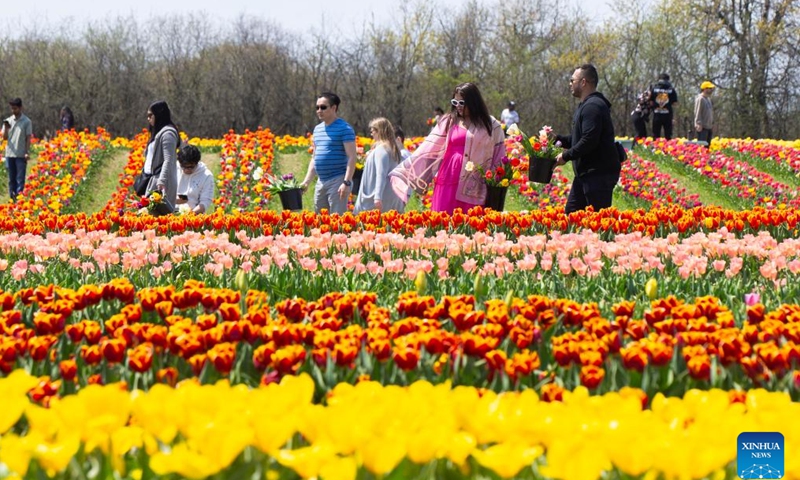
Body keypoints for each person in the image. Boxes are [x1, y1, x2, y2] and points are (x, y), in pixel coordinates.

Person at [389, 82, 506, 214]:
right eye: (455, 102)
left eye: (462, 103)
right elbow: (429, 147)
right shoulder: (448, 121)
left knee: (471, 220)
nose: (458, 106)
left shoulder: (490, 124)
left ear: (473, 102)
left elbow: (499, 153)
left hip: (474, 183)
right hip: (448, 177)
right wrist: (416, 174)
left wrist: (497, 177)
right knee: (444, 217)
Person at [554, 64, 621, 215]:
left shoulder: (593, 106)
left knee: (597, 221)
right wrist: (558, 140)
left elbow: (590, 140)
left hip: (598, 174)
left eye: (572, 80)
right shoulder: (587, 105)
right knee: (572, 216)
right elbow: (580, 138)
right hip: (586, 174)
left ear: (583, 82)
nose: (570, 84)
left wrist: (566, 156)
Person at [300, 92, 357, 214]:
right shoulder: (317, 129)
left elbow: (352, 157)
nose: (319, 110)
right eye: (317, 107)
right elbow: (315, 158)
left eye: (323, 107)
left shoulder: (344, 128)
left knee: (337, 222)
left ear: (334, 108)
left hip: (338, 180)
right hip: (321, 181)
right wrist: (306, 182)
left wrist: (346, 182)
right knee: (320, 221)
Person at [353, 118, 405, 214]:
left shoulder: (382, 149)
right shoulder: (391, 148)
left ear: (379, 131)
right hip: (391, 194)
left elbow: (381, 174)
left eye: (372, 131)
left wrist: (377, 197)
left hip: (378, 197)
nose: (371, 134)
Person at [142, 100, 180, 210]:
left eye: (150, 115)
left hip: (162, 182)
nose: (148, 118)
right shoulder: (159, 132)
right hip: (154, 178)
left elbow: (168, 159)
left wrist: (162, 180)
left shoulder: (168, 134)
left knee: (160, 215)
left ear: (159, 115)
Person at [2, 98, 33, 201]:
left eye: (15, 108)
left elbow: (28, 137)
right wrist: (6, 128)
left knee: (20, 179)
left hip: (20, 154)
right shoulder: (8, 121)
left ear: (20, 108)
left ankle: (19, 200)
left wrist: (27, 152)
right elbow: (5, 138)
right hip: (10, 154)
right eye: (12, 109)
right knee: (11, 179)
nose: (13, 111)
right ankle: (12, 198)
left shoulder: (26, 121)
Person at [176, 144, 214, 214]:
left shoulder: (206, 175)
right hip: (172, 211)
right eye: (184, 167)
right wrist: (174, 201)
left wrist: (190, 215)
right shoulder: (174, 169)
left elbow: (205, 201)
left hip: (194, 214)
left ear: (197, 163)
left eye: (191, 167)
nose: (187, 170)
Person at [651, 73, 678, 139]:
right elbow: (675, 103)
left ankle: (655, 148)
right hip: (667, 115)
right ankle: (668, 148)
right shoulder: (671, 89)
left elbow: (651, 101)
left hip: (657, 114)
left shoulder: (654, 88)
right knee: (668, 135)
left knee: (656, 135)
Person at [694, 81, 715, 147]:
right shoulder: (700, 99)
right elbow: (697, 111)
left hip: (709, 126)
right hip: (702, 127)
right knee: (701, 146)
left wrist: (712, 124)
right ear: (705, 89)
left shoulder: (708, 99)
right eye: (709, 88)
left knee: (707, 147)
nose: (711, 90)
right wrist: (698, 124)